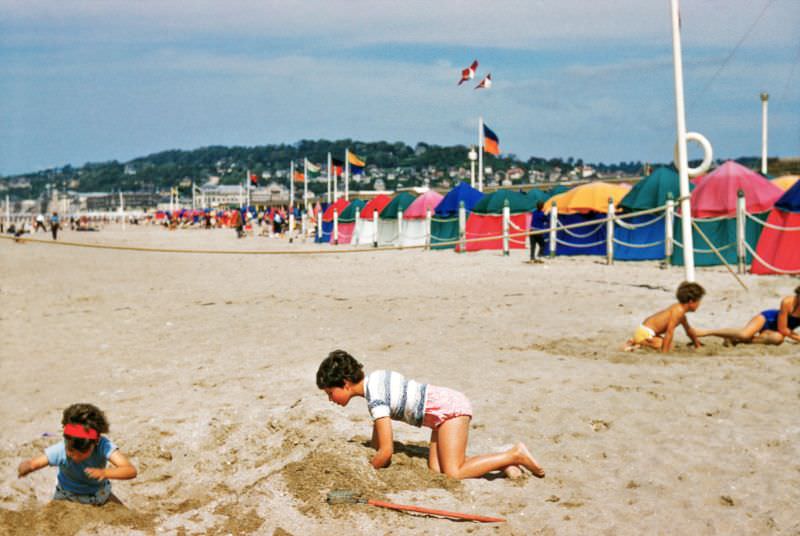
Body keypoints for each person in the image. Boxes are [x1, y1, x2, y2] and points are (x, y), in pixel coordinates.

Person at [316, 350, 545, 480]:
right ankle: (503, 463)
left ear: (345, 384)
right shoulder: (375, 381)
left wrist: (365, 471)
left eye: (330, 393)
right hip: (438, 416)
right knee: (437, 471)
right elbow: (379, 441)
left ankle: (515, 454)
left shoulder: (375, 399)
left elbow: (386, 451)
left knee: (454, 473)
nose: (330, 399)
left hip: (449, 410)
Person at [17, 403, 137, 505]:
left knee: (133, 521)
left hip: (100, 495)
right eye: (71, 451)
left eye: (81, 453)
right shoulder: (61, 449)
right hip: (66, 498)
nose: (75, 456)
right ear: (66, 441)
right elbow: (35, 463)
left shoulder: (103, 445)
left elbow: (130, 470)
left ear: (96, 441)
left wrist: (105, 473)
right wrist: (26, 467)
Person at [694, 286, 800, 345]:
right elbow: (783, 329)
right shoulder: (788, 302)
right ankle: (707, 332)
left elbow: (782, 332)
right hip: (767, 319)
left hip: (776, 331)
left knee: (777, 339)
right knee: (744, 334)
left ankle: (735, 340)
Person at [625, 281, 705, 353]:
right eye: (699, 301)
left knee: (667, 344)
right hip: (646, 334)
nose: (699, 304)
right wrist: (664, 353)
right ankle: (638, 344)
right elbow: (669, 333)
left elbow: (689, 331)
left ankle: (637, 342)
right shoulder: (678, 311)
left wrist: (697, 345)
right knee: (668, 346)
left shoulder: (680, 312)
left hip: (644, 331)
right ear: (691, 302)